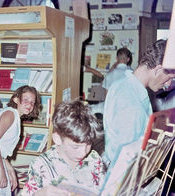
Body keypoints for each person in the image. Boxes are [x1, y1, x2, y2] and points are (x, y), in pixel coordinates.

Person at [103, 39, 175, 168]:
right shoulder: (130, 101)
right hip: (122, 175)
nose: (168, 85)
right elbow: (126, 157)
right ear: (158, 69)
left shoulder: (123, 84)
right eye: (169, 78)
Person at [21, 100, 106, 196]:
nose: (83, 153)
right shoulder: (40, 165)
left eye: (88, 144)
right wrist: (39, 194)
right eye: (75, 147)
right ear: (57, 139)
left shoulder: (94, 158)